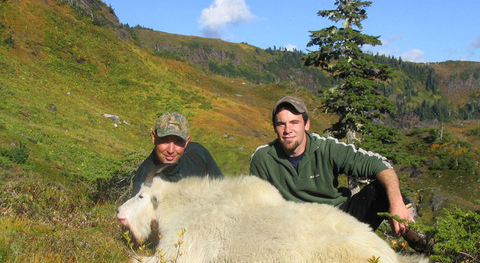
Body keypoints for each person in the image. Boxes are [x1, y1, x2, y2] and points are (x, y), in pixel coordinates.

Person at [250, 96, 433, 254]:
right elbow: (259, 208)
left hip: (340, 220)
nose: (287, 129)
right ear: (275, 127)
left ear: (306, 124)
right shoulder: (263, 159)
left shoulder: (327, 148)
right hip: (298, 233)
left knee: (382, 191)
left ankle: (428, 250)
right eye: (281, 123)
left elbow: (381, 165)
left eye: (294, 122)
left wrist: (396, 205)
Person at [132, 112, 223, 196]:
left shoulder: (198, 153)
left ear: (187, 142)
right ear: (154, 138)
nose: (171, 150)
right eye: (165, 140)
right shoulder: (144, 179)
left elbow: (222, 188)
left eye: (178, 142)